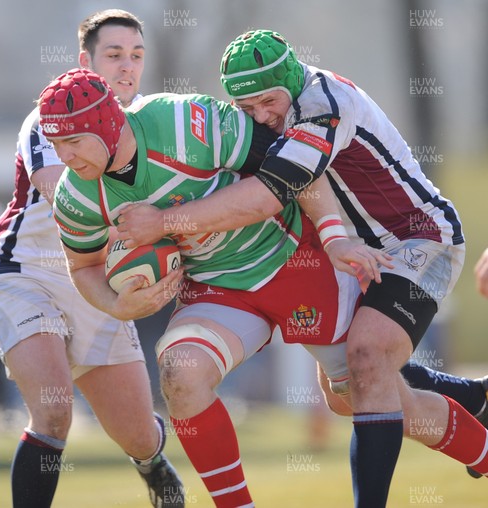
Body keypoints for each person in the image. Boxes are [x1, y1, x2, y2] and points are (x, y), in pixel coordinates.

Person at [40, 67, 488, 507]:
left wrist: (333, 235)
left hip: (295, 259)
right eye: (57, 144)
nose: (65, 156)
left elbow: (295, 169)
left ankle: (483, 448)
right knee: (180, 372)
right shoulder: (75, 196)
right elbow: (83, 267)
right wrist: (117, 305)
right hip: (216, 287)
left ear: (107, 125)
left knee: (370, 395)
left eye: (73, 141)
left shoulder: (185, 122)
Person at [0, 10, 184, 508]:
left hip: (99, 281)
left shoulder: (153, 125)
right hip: (24, 273)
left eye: (136, 55)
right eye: (113, 55)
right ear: (85, 61)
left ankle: (152, 462)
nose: (127, 66)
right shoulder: (49, 120)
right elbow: (58, 191)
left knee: (138, 436)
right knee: (53, 412)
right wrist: (141, 226)